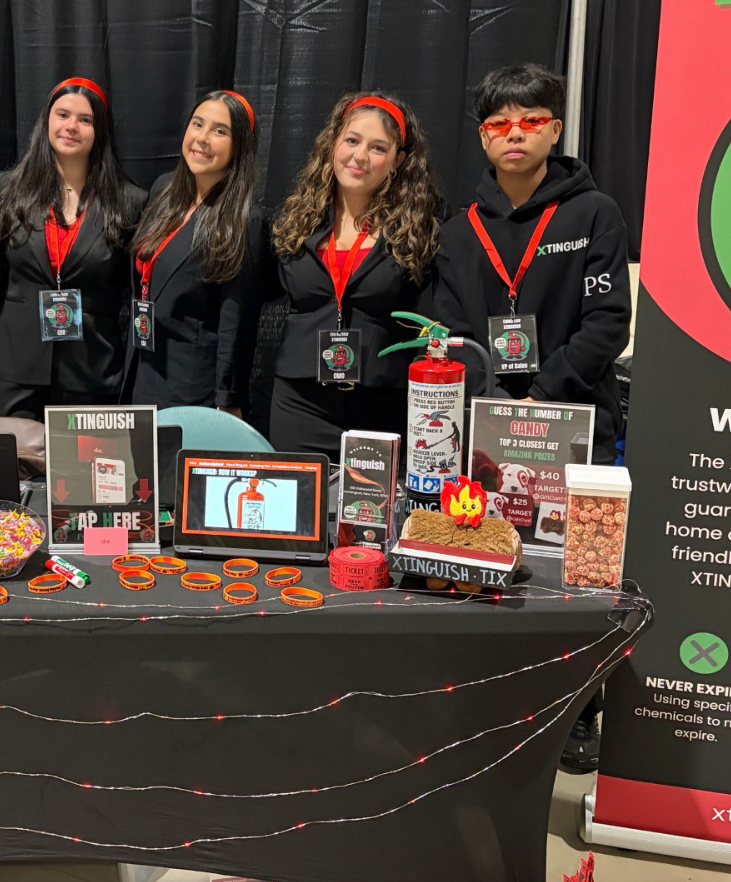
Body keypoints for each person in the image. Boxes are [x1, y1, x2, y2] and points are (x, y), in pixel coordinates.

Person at [432, 63, 631, 773]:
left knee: (574, 582)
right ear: (483, 137)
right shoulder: (460, 231)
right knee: (486, 566)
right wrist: (494, 403)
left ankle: (578, 713)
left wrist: (541, 396)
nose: (515, 136)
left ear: (554, 127)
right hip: (486, 435)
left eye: (530, 121)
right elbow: (450, 331)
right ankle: (487, 709)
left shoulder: (593, 213)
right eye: (499, 125)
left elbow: (608, 323)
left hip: (576, 427)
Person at [267, 92, 442, 453]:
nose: (360, 156)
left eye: (378, 148)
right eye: (352, 140)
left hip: (382, 402)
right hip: (300, 402)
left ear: (398, 161)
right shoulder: (298, 220)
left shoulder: (421, 227)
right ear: (333, 145)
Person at [0, 78, 146, 418]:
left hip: (92, 369)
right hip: (17, 368)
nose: (71, 126)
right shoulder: (7, 188)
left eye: (85, 120)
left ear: (99, 130)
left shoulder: (130, 202)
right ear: (47, 120)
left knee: (83, 471)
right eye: (62, 115)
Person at [127, 90, 266, 411]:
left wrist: (227, 399)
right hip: (143, 368)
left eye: (220, 131)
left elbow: (237, 321)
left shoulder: (245, 219)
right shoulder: (163, 190)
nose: (202, 138)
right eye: (197, 124)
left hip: (195, 387)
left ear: (239, 145)